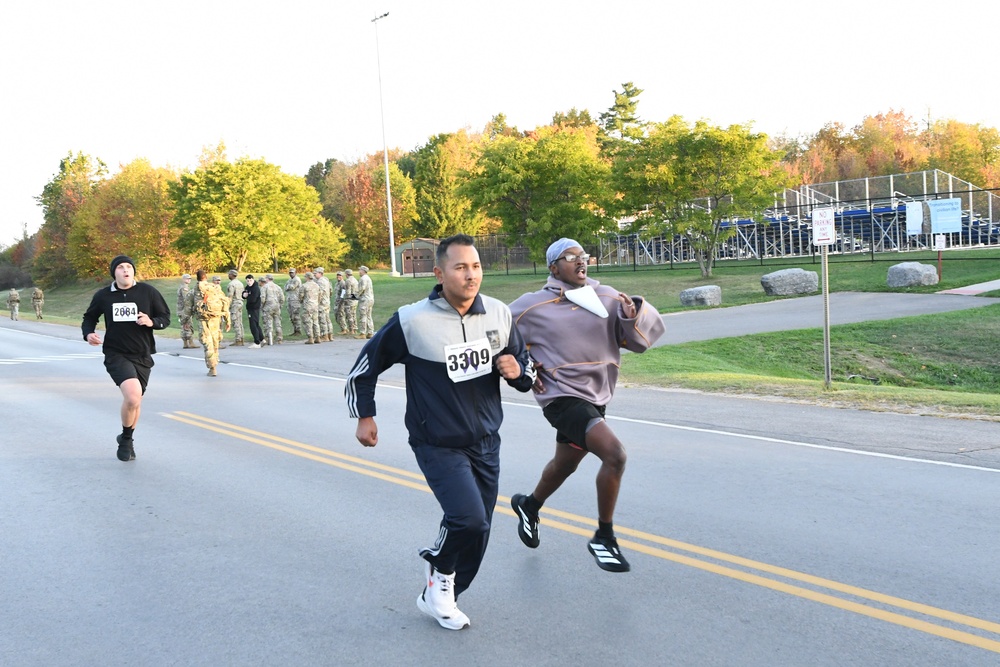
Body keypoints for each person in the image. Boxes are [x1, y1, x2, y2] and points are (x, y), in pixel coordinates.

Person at [345, 234, 535, 631]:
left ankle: (443, 591)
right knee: (467, 519)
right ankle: (438, 575)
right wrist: (365, 415)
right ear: (439, 273)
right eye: (460, 267)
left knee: (480, 529)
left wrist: (519, 373)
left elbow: (527, 367)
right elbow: (364, 367)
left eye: (476, 266)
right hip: (436, 441)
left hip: (485, 441)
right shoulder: (413, 320)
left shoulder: (499, 314)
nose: (471, 275)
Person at [508, 238, 665, 573]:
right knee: (615, 454)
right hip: (560, 397)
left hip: (597, 397)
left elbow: (638, 344)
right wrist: (524, 364)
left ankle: (529, 505)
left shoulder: (607, 297)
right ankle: (604, 536)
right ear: (553, 267)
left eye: (583, 256)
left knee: (565, 464)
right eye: (570, 257)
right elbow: (498, 335)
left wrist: (630, 317)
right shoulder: (532, 306)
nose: (581, 262)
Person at [81, 255, 171, 461]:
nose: (125, 270)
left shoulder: (148, 292)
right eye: (120, 267)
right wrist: (89, 333)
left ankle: (126, 437)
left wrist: (152, 322)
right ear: (114, 272)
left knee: (135, 401)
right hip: (116, 353)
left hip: (142, 353)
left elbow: (165, 317)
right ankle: (126, 439)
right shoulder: (103, 296)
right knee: (132, 396)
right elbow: (89, 317)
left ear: (133, 271)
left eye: (128, 267)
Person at [194, 270, 230, 376]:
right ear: (206, 277)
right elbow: (225, 301)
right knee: (215, 343)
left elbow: (188, 307)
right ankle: (215, 363)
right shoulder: (214, 288)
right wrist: (228, 320)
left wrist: (186, 321)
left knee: (208, 344)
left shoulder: (195, 290)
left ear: (197, 278)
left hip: (203, 320)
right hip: (216, 318)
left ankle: (212, 368)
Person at [260, 273, 284, 345]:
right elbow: (282, 298)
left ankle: (270, 339)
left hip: (268, 306)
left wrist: (262, 306)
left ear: (267, 279)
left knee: (269, 323)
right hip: (276, 306)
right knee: (278, 323)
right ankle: (279, 339)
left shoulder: (264, 287)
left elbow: (263, 298)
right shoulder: (277, 287)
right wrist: (280, 305)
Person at [242, 274, 263, 348]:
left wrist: (248, 296)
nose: (249, 282)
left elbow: (253, 299)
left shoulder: (255, 288)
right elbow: (244, 293)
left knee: (253, 325)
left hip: (254, 308)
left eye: (250, 280)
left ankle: (257, 342)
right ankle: (262, 339)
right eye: (248, 281)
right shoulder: (248, 287)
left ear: (253, 280)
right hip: (250, 308)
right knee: (256, 323)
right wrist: (244, 295)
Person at [177, 274, 197, 349]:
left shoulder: (182, 287)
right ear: (183, 279)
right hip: (185, 309)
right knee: (188, 325)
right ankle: (190, 342)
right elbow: (186, 298)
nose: (189, 280)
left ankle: (185, 343)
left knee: (184, 325)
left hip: (181, 309)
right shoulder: (184, 288)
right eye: (187, 279)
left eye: (190, 279)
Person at [300, 271, 321, 344]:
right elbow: (320, 296)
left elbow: (301, 296)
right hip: (315, 305)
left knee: (308, 322)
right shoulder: (317, 285)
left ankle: (310, 338)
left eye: (305, 277)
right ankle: (318, 337)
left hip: (308, 306)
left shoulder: (304, 286)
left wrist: (302, 301)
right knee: (315, 322)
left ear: (307, 277)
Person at [226, 270, 245, 346]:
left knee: (235, 320)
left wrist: (227, 305)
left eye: (229, 274)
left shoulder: (231, 284)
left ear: (232, 275)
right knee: (239, 320)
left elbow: (230, 295)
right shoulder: (240, 283)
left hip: (235, 303)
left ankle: (238, 339)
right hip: (240, 302)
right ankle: (241, 337)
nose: (228, 276)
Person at [355, 265, 375, 339]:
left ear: (363, 271)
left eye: (360, 270)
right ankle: (370, 332)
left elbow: (361, 288)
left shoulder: (363, 279)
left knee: (363, 315)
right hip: (370, 299)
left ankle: (362, 333)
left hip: (365, 299)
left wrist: (355, 296)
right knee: (369, 316)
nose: (359, 271)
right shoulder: (368, 278)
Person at [314, 267, 333, 342]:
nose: (315, 275)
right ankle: (330, 334)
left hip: (322, 303)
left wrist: (317, 301)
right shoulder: (326, 280)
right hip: (327, 301)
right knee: (327, 319)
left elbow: (320, 293)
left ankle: (325, 335)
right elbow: (331, 290)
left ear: (320, 273)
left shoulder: (320, 281)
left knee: (322, 319)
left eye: (316, 273)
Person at [285, 268, 303, 336]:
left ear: (295, 273)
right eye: (290, 273)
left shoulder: (297, 279)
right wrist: (288, 286)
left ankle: (298, 330)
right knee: (291, 316)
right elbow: (285, 287)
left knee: (296, 316)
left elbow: (292, 287)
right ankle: (295, 330)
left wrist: (288, 286)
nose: (291, 274)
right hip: (290, 299)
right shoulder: (289, 280)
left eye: (292, 272)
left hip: (296, 300)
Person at [344, 268, 359, 334]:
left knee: (349, 315)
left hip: (350, 299)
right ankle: (355, 328)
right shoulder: (355, 280)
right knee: (354, 314)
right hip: (355, 298)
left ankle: (351, 329)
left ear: (346, 274)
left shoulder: (348, 281)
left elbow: (348, 292)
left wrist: (346, 299)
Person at [334, 270, 348, 334]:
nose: (338, 276)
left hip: (341, 302)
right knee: (337, 315)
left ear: (342, 276)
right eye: (337, 275)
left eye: (340, 275)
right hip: (337, 301)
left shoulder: (343, 283)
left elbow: (343, 293)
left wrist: (340, 302)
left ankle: (344, 329)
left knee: (341, 315)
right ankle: (344, 328)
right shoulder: (337, 283)